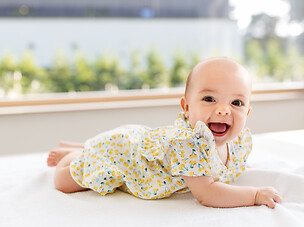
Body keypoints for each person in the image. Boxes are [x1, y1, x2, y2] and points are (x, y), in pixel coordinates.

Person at [47, 57, 282, 209]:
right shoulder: (190, 145)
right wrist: (253, 195)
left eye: (236, 103)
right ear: (187, 107)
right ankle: (74, 156)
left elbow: (226, 164)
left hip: (146, 140)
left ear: (248, 111)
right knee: (64, 182)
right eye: (209, 99)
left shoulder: (238, 140)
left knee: (98, 150)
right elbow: (207, 193)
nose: (223, 110)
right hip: (131, 158)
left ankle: (80, 147)